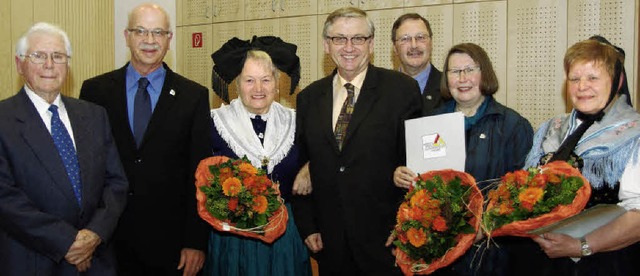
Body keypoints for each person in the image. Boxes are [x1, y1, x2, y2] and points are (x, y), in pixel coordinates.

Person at [79, 3, 211, 276]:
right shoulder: (95, 91)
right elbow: (85, 170)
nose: (149, 41)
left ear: (169, 39)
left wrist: (195, 242)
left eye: (158, 33)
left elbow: (200, 174)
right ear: (126, 35)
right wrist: (83, 233)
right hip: (107, 241)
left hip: (170, 245)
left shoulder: (193, 96)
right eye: (141, 31)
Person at [292, 7, 423, 275]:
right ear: (327, 45)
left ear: (371, 44)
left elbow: (416, 166)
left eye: (358, 39)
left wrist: (407, 229)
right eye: (339, 39)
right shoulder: (308, 98)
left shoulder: (401, 90)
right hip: (330, 243)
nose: (348, 47)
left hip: (386, 242)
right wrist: (308, 226)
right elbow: (301, 166)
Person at [392, 43, 533, 275]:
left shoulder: (512, 126)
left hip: (491, 253)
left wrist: (483, 227)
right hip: (440, 251)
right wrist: (403, 175)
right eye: (455, 72)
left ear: (484, 73)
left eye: (470, 69)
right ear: (446, 79)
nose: (463, 78)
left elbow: (520, 198)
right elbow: (421, 185)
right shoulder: (429, 123)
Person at [0, 22, 128, 275]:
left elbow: (116, 183)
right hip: (32, 260)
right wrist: (66, 241)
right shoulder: (4, 119)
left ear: (67, 65)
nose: (49, 65)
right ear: (19, 64)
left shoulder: (93, 115)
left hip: (96, 261)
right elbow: (5, 197)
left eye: (58, 56)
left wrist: (94, 234)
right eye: (38, 56)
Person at [519, 38, 640, 275]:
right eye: (574, 78)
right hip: (545, 261)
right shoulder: (550, 129)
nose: (582, 86)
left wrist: (580, 246)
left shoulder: (633, 135)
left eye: (593, 78)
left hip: (607, 263)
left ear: (617, 81)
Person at [204, 36, 311, 276]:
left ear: (277, 83)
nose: (258, 88)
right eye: (249, 80)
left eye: (266, 79)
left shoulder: (297, 122)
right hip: (233, 238)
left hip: (285, 236)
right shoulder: (214, 123)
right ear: (237, 84)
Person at [392, 13, 443, 114]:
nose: (414, 45)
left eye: (421, 37)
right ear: (395, 48)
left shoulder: (449, 88)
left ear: (431, 43)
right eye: (405, 39)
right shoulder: (380, 91)